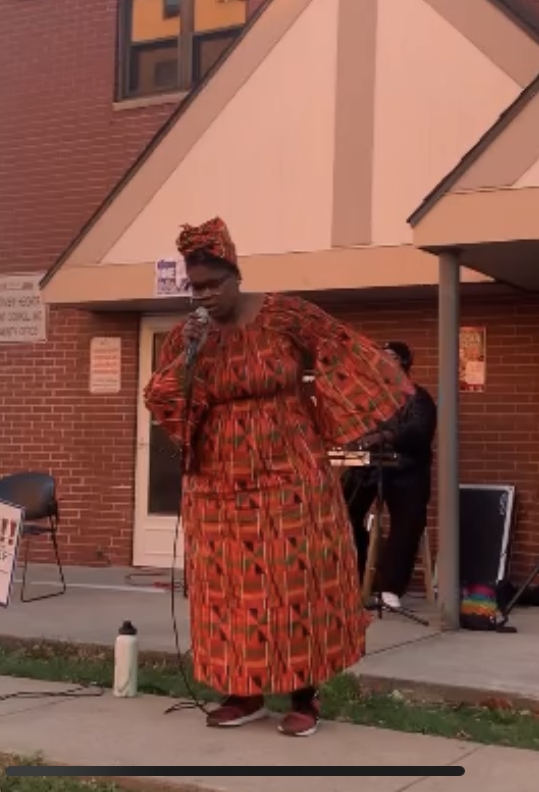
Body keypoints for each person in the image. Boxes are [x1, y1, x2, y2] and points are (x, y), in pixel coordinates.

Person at [142, 217, 412, 738]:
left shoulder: (283, 314)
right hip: (218, 480)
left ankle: (304, 697)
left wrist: (347, 414)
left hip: (290, 470)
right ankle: (242, 693)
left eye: (212, 286)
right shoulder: (186, 337)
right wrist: (190, 357)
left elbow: (342, 348)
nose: (204, 297)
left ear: (235, 276)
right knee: (227, 588)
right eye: (194, 288)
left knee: (296, 580)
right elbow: (165, 401)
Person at [342, 342, 437, 610]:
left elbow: (420, 431)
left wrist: (386, 436)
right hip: (371, 468)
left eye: (391, 358)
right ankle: (358, 580)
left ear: (405, 363)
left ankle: (390, 587)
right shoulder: (369, 397)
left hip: (407, 470)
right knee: (343, 511)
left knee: (408, 521)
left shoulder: (419, 398)